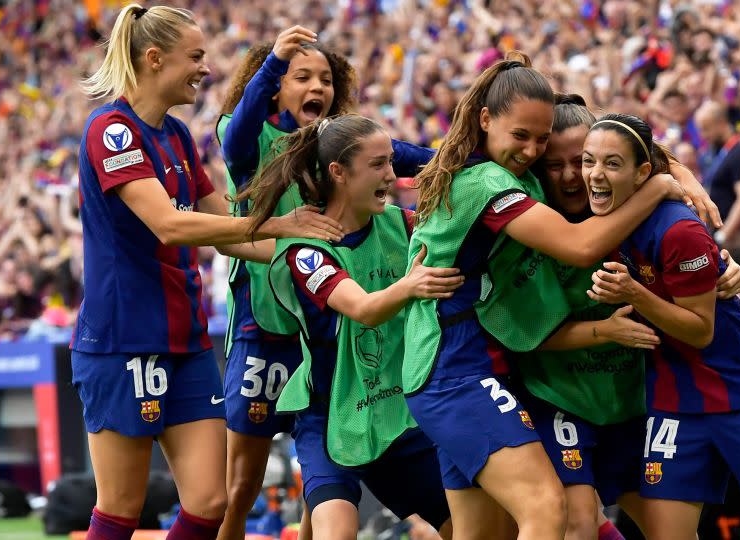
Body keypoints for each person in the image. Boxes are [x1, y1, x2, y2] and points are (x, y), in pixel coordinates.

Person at [402, 52, 719, 540]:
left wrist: (679, 175)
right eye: (522, 137)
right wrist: (659, 186)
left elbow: (622, 141)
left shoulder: (512, 174)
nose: (532, 151)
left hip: (477, 366)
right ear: (486, 120)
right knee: (550, 512)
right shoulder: (488, 182)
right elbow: (580, 246)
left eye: (541, 138)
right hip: (453, 368)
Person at [71, 5, 341, 540]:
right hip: (124, 341)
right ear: (154, 59)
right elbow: (170, 226)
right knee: (121, 509)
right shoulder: (112, 132)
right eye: (195, 57)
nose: (205, 69)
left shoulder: (175, 135)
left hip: (188, 341)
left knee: (210, 502)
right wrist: (281, 225)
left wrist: (317, 259)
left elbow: (232, 231)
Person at [215, 28, 435, 540]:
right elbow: (234, 142)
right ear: (274, 87)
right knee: (242, 480)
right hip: (264, 324)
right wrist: (273, 61)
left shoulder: (341, 145)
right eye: (302, 76)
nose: (319, 86)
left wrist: (480, 160)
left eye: (328, 79)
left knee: (325, 452)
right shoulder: (250, 138)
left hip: (325, 320)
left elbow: (411, 156)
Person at [581, 113, 740, 540]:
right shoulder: (597, 216)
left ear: (643, 173)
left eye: (612, 164)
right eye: (588, 161)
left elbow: (699, 331)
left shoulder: (679, 228)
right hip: (674, 396)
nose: (595, 174)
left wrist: (633, 293)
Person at [520, 93, 740, 540]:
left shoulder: (633, 205)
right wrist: (606, 329)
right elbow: (523, 333)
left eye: (581, 160)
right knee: (578, 520)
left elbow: (685, 249)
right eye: (556, 164)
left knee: (673, 532)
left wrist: (723, 268)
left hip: (633, 395)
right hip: (562, 396)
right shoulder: (530, 221)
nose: (574, 176)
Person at [239, 114, 460, 540]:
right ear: (339, 172)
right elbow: (363, 309)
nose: (392, 176)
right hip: (329, 418)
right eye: (378, 165)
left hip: (396, 415)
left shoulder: (404, 225)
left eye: (392, 162)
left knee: (471, 530)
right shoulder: (306, 252)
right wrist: (411, 285)